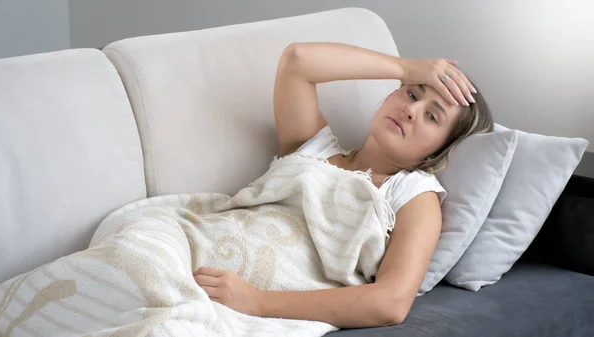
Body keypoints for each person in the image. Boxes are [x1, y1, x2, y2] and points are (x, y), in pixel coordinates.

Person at [193, 42, 494, 328]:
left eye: (431, 116)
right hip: (199, 244)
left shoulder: (413, 196)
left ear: (440, 150)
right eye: (412, 94)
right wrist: (404, 68)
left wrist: (258, 302)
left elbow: (390, 302)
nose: (411, 110)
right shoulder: (314, 147)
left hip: (240, 295)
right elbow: (297, 60)